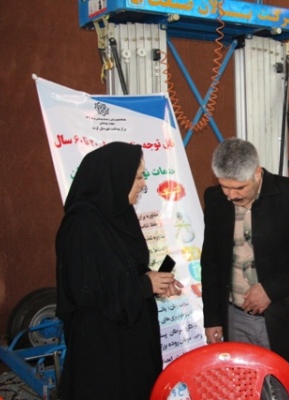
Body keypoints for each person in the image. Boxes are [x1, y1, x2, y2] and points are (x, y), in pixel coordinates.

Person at [200, 138, 289, 400]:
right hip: (235, 316)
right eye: (224, 186)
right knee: (249, 390)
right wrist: (212, 317)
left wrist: (271, 289)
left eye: (239, 187)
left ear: (257, 173)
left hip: (286, 315)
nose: (231, 195)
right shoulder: (215, 199)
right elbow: (211, 261)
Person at [55, 142, 182, 400]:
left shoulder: (119, 215)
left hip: (131, 345)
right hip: (103, 351)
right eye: (138, 177)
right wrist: (145, 285)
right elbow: (89, 292)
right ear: (115, 178)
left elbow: (122, 269)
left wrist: (154, 281)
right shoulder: (82, 224)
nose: (144, 184)